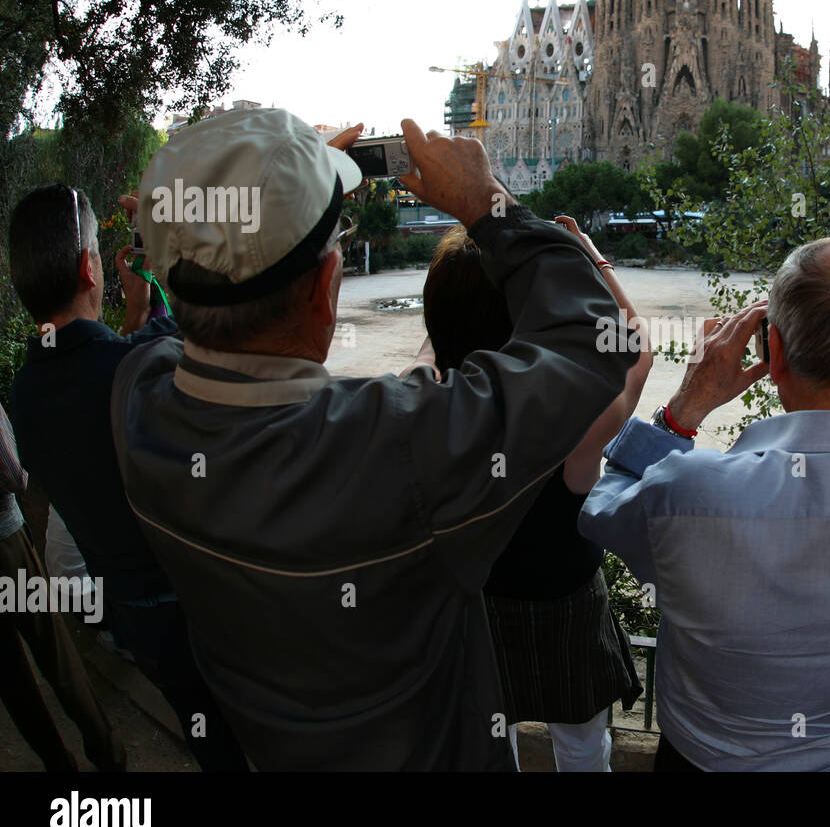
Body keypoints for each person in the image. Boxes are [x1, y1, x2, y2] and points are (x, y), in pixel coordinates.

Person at [110, 107, 639, 770]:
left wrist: (239, 207)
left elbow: (172, 325)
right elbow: (597, 344)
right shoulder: (399, 445)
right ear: (326, 291)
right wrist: (488, 206)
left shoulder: (138, 393)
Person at [578, 236, 830, 771]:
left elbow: (603, 511)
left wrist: (686, 406)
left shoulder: (695, 493)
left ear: (772, 353)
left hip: (706, 758)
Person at [6, 182, 247, 771]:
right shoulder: (136, 367)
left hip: (138, 622)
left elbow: (119, 359)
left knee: (211, 743)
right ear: (91, 267)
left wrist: (143, 305)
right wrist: (172, 257)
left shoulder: (22, 397)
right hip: (208, 611)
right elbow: (223, 327)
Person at [422, 215, 650, 772]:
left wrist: (451, 324)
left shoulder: (426, 412)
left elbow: (437, 351)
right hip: (565, 607)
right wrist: (588, 256)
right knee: (581, 742)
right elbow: (636, 351)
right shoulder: (571, 422)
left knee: (496, 738)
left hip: (476, 606)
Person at [0, 404, 124, 771]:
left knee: (10, 676)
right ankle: (107, 753)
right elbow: (14, 477)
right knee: (54, 652)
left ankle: (58, 763)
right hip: (7, 549)